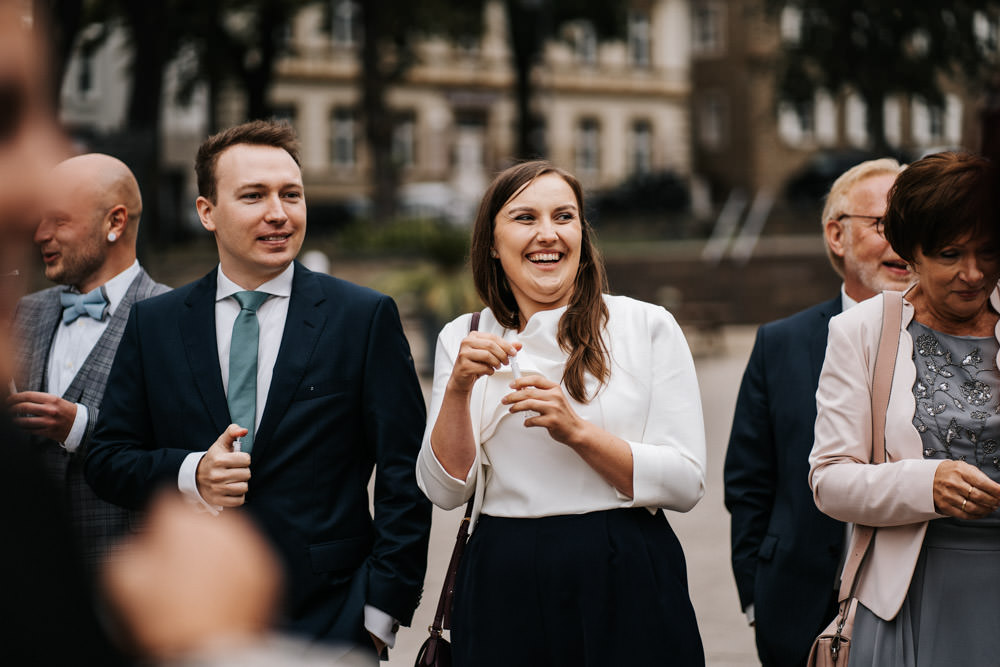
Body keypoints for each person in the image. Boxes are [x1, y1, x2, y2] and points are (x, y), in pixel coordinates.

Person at [85, 120, 432, 658]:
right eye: (254, 196)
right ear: (207, 213)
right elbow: (107, 459)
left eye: (291, 194)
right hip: (190, 618)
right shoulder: (154, 324)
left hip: (332, 618)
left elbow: (404, 473)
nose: (279, 213)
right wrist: (191, 474)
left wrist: (380, 611)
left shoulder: (363, 318)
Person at [417, 160, 706, 666]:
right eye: (525, 218)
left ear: (581, 232)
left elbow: (685, 483)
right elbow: (444, 491)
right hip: (502, 577)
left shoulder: (646, 325)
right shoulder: (463, 336)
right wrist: (459, 389)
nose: (547, 234)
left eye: (564, 216)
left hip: (623, 566)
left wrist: (578, 432)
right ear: (491, 240)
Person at [810, 151, 1000, 665]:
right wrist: (925, 484)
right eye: (949, 253)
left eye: (988, 250)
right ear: (910, 252)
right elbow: (829, 480)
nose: (973, 272)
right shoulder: (862, 331)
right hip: (908, 595)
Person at [723, 158, 910, 666]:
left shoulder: (948, 343)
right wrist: (755, 598)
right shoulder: (779, 343)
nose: (905, 240)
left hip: (915, 609)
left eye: (916, 223)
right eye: (884, 224)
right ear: (836, 234)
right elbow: (747, 483)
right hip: (798, 608)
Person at [8, 154, 168, 569]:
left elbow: (184, 454)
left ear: (114, 223)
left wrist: (79, 426)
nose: (41, 234)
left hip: (125, 573)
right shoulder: (26, 311)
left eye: (59, 221)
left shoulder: (175, 316)